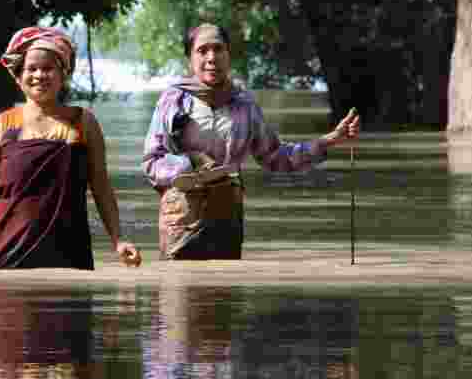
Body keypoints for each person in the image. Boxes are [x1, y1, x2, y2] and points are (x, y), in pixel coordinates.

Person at [0, 26, 142, 270]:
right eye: (31, 68)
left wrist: (118, 240)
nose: (39, 75)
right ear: (18, 75)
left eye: (48, 68)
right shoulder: (1, 126)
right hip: (10, 254)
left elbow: (101, 186)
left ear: (63, 74)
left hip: (71, 257)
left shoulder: (83, 123)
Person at [143, 23, 360, 260]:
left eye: (218, 49)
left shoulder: (244, 104)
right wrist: (189, 166)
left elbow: (276, 156)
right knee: (180, 292)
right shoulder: (173, 100)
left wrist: (328, 141)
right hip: (180, 222)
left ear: (229, 55)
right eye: (202, 50)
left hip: (226, 220)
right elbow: (152, 163)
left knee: (225, 294)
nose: (211, 57)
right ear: (189, 59)